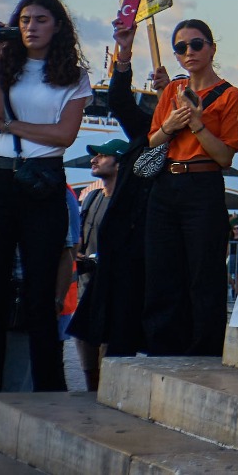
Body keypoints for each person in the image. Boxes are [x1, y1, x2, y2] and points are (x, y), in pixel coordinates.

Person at [0, 0, 90, 392]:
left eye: (40, 19)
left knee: (41, 293)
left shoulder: (72, 75)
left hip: (43, 180)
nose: (30, 27)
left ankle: (49, 394)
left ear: (57, 25)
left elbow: (64, 134)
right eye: (24, 20)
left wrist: (9, 126)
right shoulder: (5, 65)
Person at [141, 20, 238, 356]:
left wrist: (196, 124)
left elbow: (225, 156)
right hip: (166, 184)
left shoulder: (230, 96)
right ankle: (162, 347)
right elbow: (152, 141)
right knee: (162, 270)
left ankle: (205, 350)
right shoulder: (171, 91)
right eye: (181, 47)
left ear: (212, 47)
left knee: (204, 272)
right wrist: (170, 126)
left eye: (196, 44)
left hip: (203, 184)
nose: (189, 52)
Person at [68, 18, 160, 369]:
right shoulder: (146, 134)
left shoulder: (182, 144)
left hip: (152, 249)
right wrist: (124, 52)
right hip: (122, 247)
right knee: (98, 326)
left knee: (129, 328)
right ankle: (97, 390)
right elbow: (120, 99)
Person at [69, 137, 124, 389]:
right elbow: (81, 237)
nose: (94, 159)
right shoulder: (91, 198)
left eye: (102, 155)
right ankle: (93, 388)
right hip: (85, 283)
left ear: (119, 164)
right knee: (82, 339)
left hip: (112, 286)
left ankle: (105, 391)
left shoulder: (126, 203)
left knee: (107, 341)